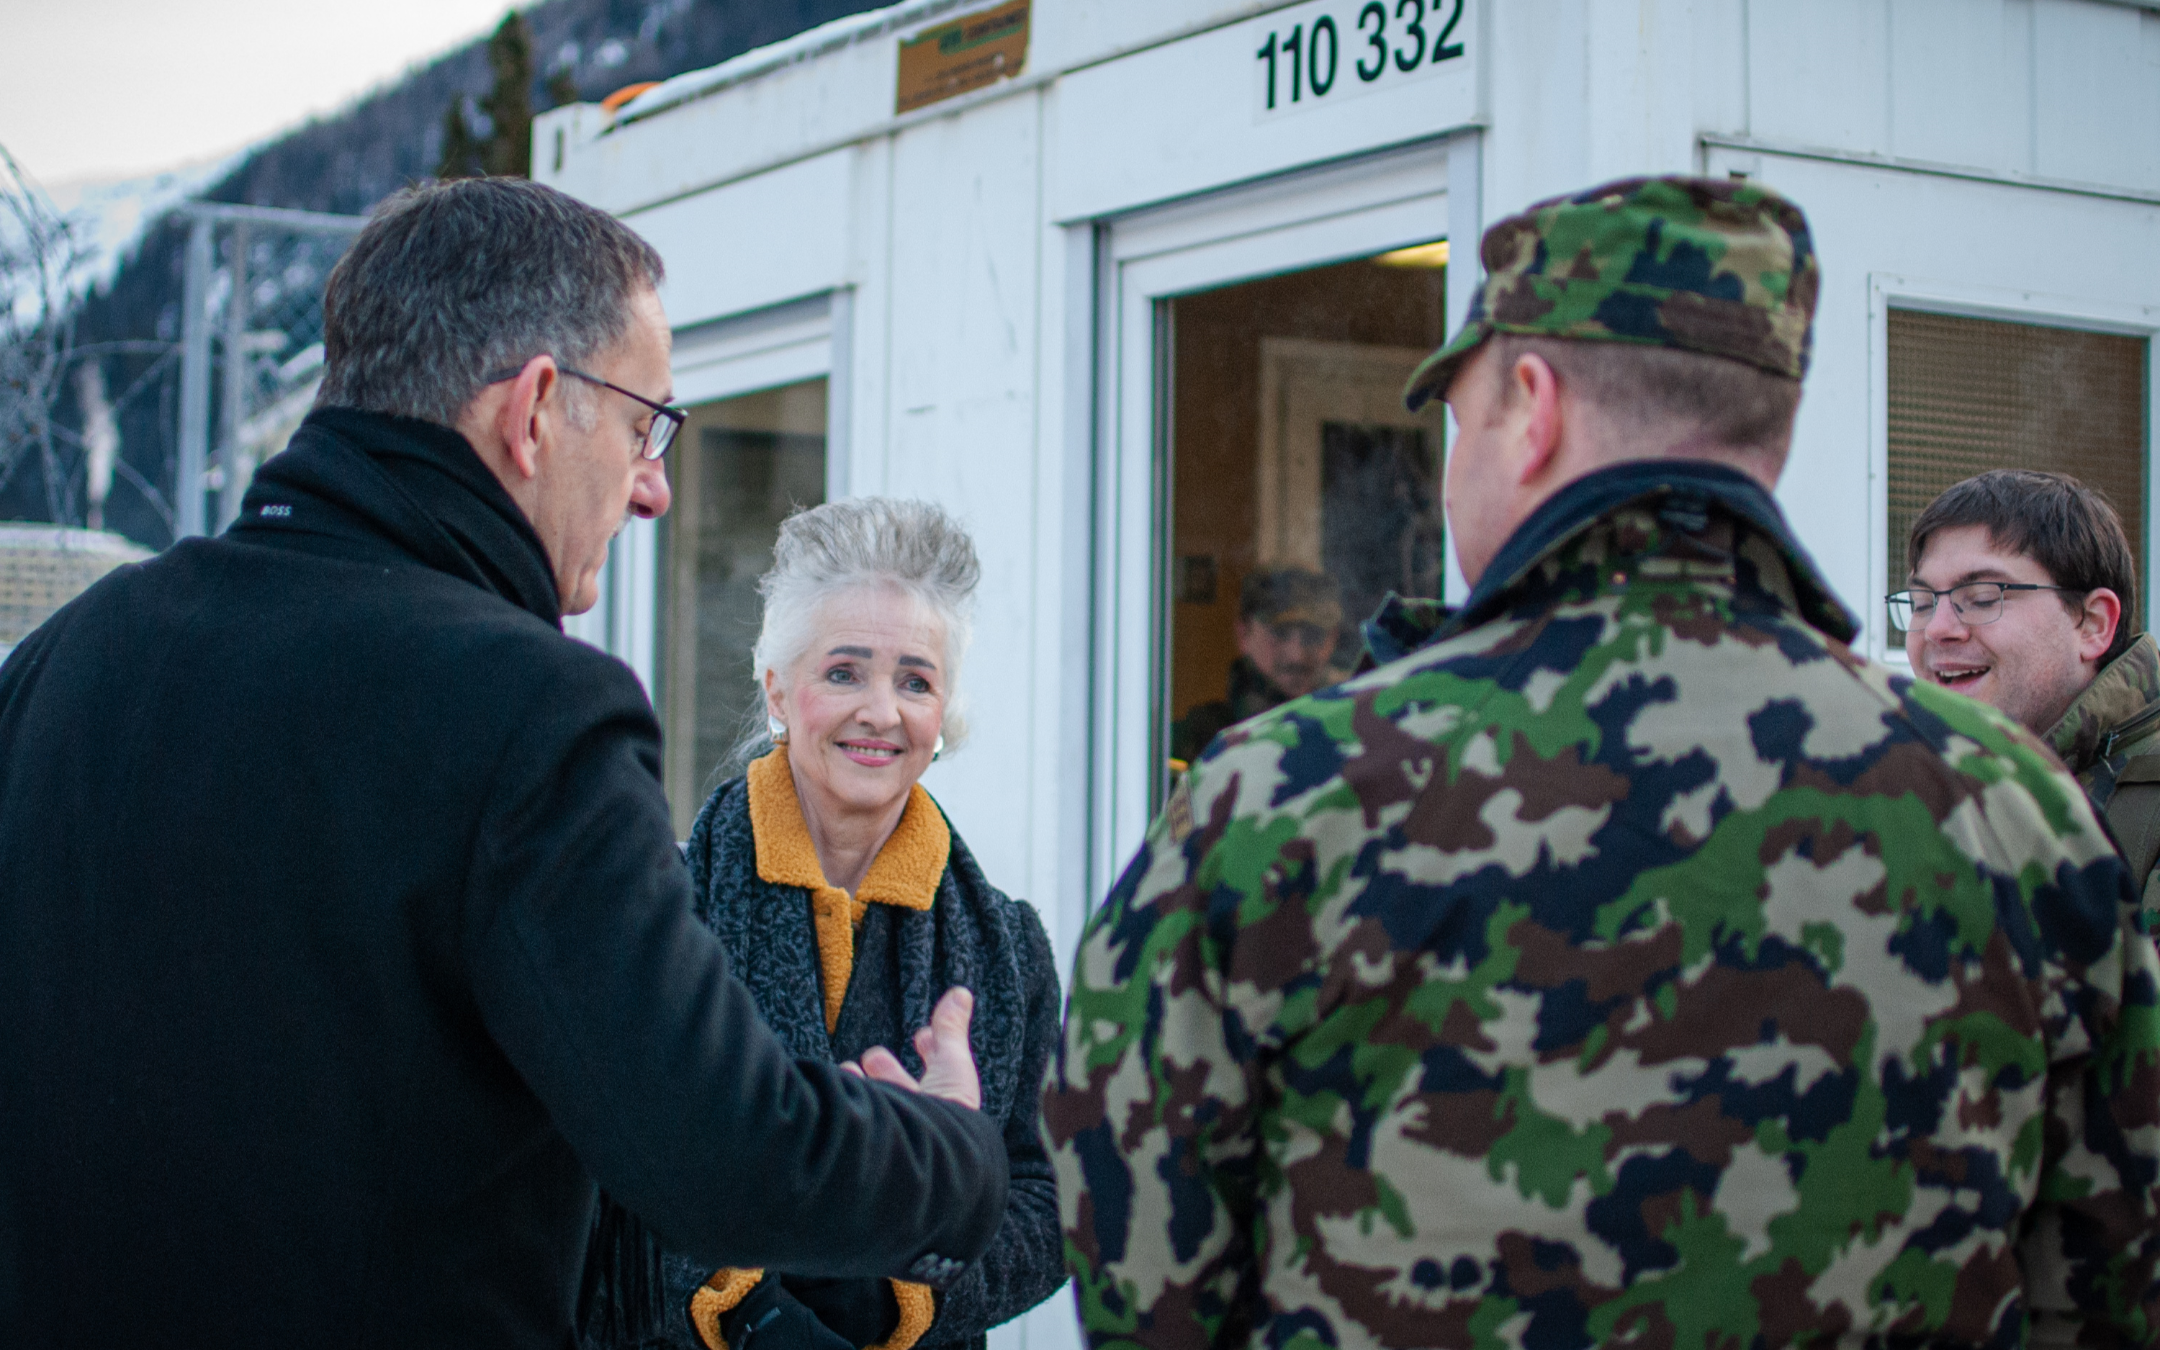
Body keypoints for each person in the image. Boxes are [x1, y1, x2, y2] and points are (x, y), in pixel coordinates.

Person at [1041, 176, 2160, 1350]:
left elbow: (1144, 1283)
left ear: (1532, 406)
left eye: (1460, 421)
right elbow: (2107, 1284)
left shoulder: (1282, 796)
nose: (1454, 462)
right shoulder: (2017, 812)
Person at [0, 178, 1007, 1348]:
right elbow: (722, 1152)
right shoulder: (529, 714)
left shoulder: (66, 658)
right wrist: (954, 1148)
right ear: (532, 413)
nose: (654, 486)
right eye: (645, 426)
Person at [587, 498, 1066, 1350]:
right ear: (777, 687)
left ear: (943, 710)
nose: (881, 712)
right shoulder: (653, 906)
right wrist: (742, 1307)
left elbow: (1053, 1194)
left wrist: (899, 1298)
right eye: (844, 672)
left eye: (915, 681)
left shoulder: (1006, 950)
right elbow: (584, 1176)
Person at [1899, 469, 2160, 916]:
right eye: (1922, 603)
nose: (1937, 629)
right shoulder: (1902, 790)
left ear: (2092, 624)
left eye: (1982, 598)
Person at [1169, 566, 1342, 764]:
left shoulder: (1350, 737)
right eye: (1280, 633)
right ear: (1244, 633)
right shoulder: (1196, 743)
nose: (1297, 655)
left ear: (1332, 638)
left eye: (1313, 635)